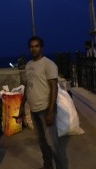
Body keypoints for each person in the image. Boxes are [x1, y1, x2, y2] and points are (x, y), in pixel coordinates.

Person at [17, 36, 67, 169]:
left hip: (46, 109)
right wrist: (22, 106)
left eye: (36, 46)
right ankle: (48, 166)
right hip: (33, 110)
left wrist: (50, 111)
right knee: (42, 142)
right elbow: (28, 86)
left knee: (52, 142)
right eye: (31, 46)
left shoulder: (48, 64)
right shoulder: (28, 65)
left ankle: (60, 167)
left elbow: (54, 87)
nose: (34, 49)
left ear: (41, 48)